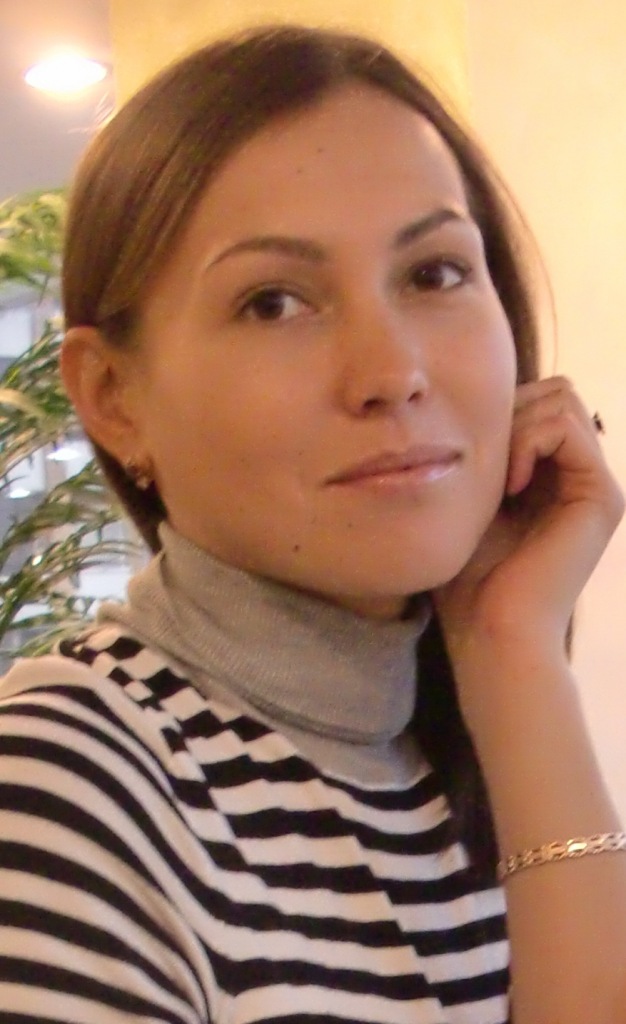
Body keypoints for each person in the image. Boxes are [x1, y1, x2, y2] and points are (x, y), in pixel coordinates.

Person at [0, 23, 624, 1024]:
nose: (391, 372)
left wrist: (514, 651)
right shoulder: (62, 782)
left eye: (433, 274)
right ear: (113, 397)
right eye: (273, 303)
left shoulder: (477, 751)